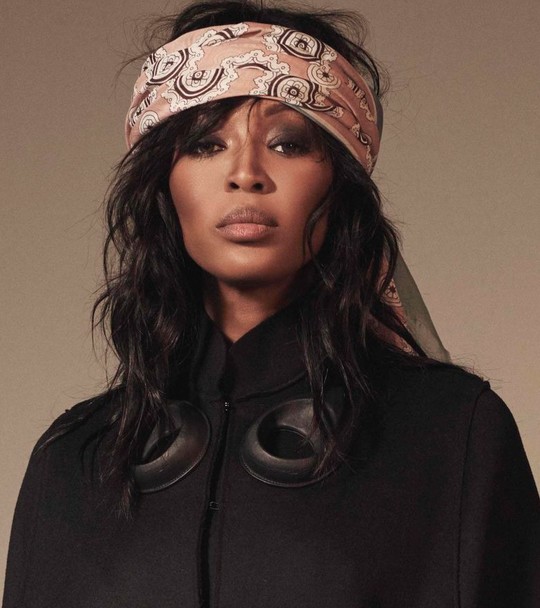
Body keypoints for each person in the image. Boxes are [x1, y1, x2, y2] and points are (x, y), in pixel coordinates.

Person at [3, 1, 539, 606]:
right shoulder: (74, 457)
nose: (246, 174)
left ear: (339, 183)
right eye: (205, 144)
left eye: (288, 144)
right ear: (164, 184)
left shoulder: (452, 431)